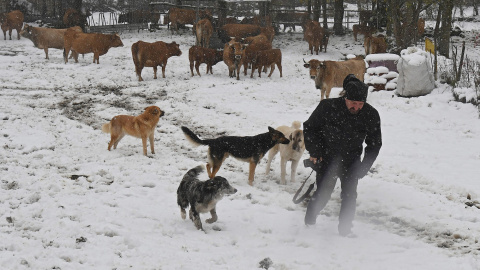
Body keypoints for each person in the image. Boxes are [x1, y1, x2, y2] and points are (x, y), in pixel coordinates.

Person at [303, 74, 382, 236]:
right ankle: (309, 222)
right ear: (346, 97)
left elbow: (374, 144)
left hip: (352, 161)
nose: (357, 107)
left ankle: (345, 230)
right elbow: (310, 127)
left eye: (361, 104)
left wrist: (364, 166)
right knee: (323, 194)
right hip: (327, 158)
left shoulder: (370, 114)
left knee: (349, 196)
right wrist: (315, 151)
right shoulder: (327, 107)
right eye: (353, 103)